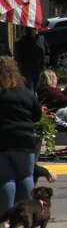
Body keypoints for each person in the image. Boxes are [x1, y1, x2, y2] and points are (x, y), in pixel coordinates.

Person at [0, 56, 42, 215]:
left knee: (5, 178)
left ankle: (5, 216)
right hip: (25, 140)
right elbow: (36, 115)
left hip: (2, 141)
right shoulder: (26, 93)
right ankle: (26, 213)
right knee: (25, 176)